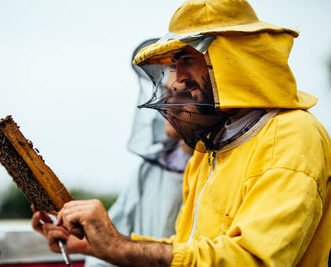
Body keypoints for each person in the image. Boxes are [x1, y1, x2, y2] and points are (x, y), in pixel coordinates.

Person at [36, 0, 331, 266]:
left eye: (186, 58)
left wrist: (119, 246)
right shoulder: (210, 150)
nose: (178, 78)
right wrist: (94, 245)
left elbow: (249, 259)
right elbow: (187, 247)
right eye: (175, 64)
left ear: (232, 58)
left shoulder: (292, 135)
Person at [31, 39, 193, 267]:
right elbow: (116, 238)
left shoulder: (219, 165)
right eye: (166, 91)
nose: (165, 103)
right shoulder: (148, 171)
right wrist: (79, 238)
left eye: (181, 92)